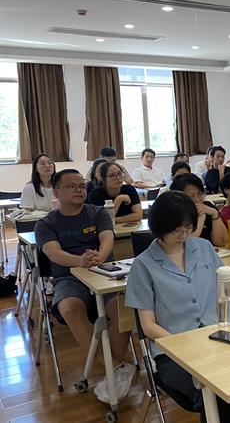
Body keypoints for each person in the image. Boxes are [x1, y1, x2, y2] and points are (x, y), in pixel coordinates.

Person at [124, 191, 230, 423]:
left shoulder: (203, 248)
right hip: (172, 351)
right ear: (160, 226)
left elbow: (224, 290)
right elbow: (148, 326)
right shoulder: (143, 265)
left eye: (188, 227)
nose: (184, 235)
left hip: (215, 339)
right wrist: (185, 347)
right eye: (176, 230)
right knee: (214, 392)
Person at [34, 169, 134, 403]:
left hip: (104, 273)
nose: (79, 190)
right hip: (68, 277)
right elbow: (53, 253)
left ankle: (114, 369)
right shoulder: (46, 223)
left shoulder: (98, 212)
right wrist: (79, 261)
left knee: (124, 309)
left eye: (81, 186)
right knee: (70, 308)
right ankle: (116, 366)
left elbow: (107, 238)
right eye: (72, 186)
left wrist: (100, 256)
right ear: (57, 192)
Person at [170, 173, 228, 247]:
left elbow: (222, 242)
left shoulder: (208, 208)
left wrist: (214, 214)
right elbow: (186, 245)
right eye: (192, 196)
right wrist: (201, 218)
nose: (197, 199)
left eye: (200, 194)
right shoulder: (174, 214)